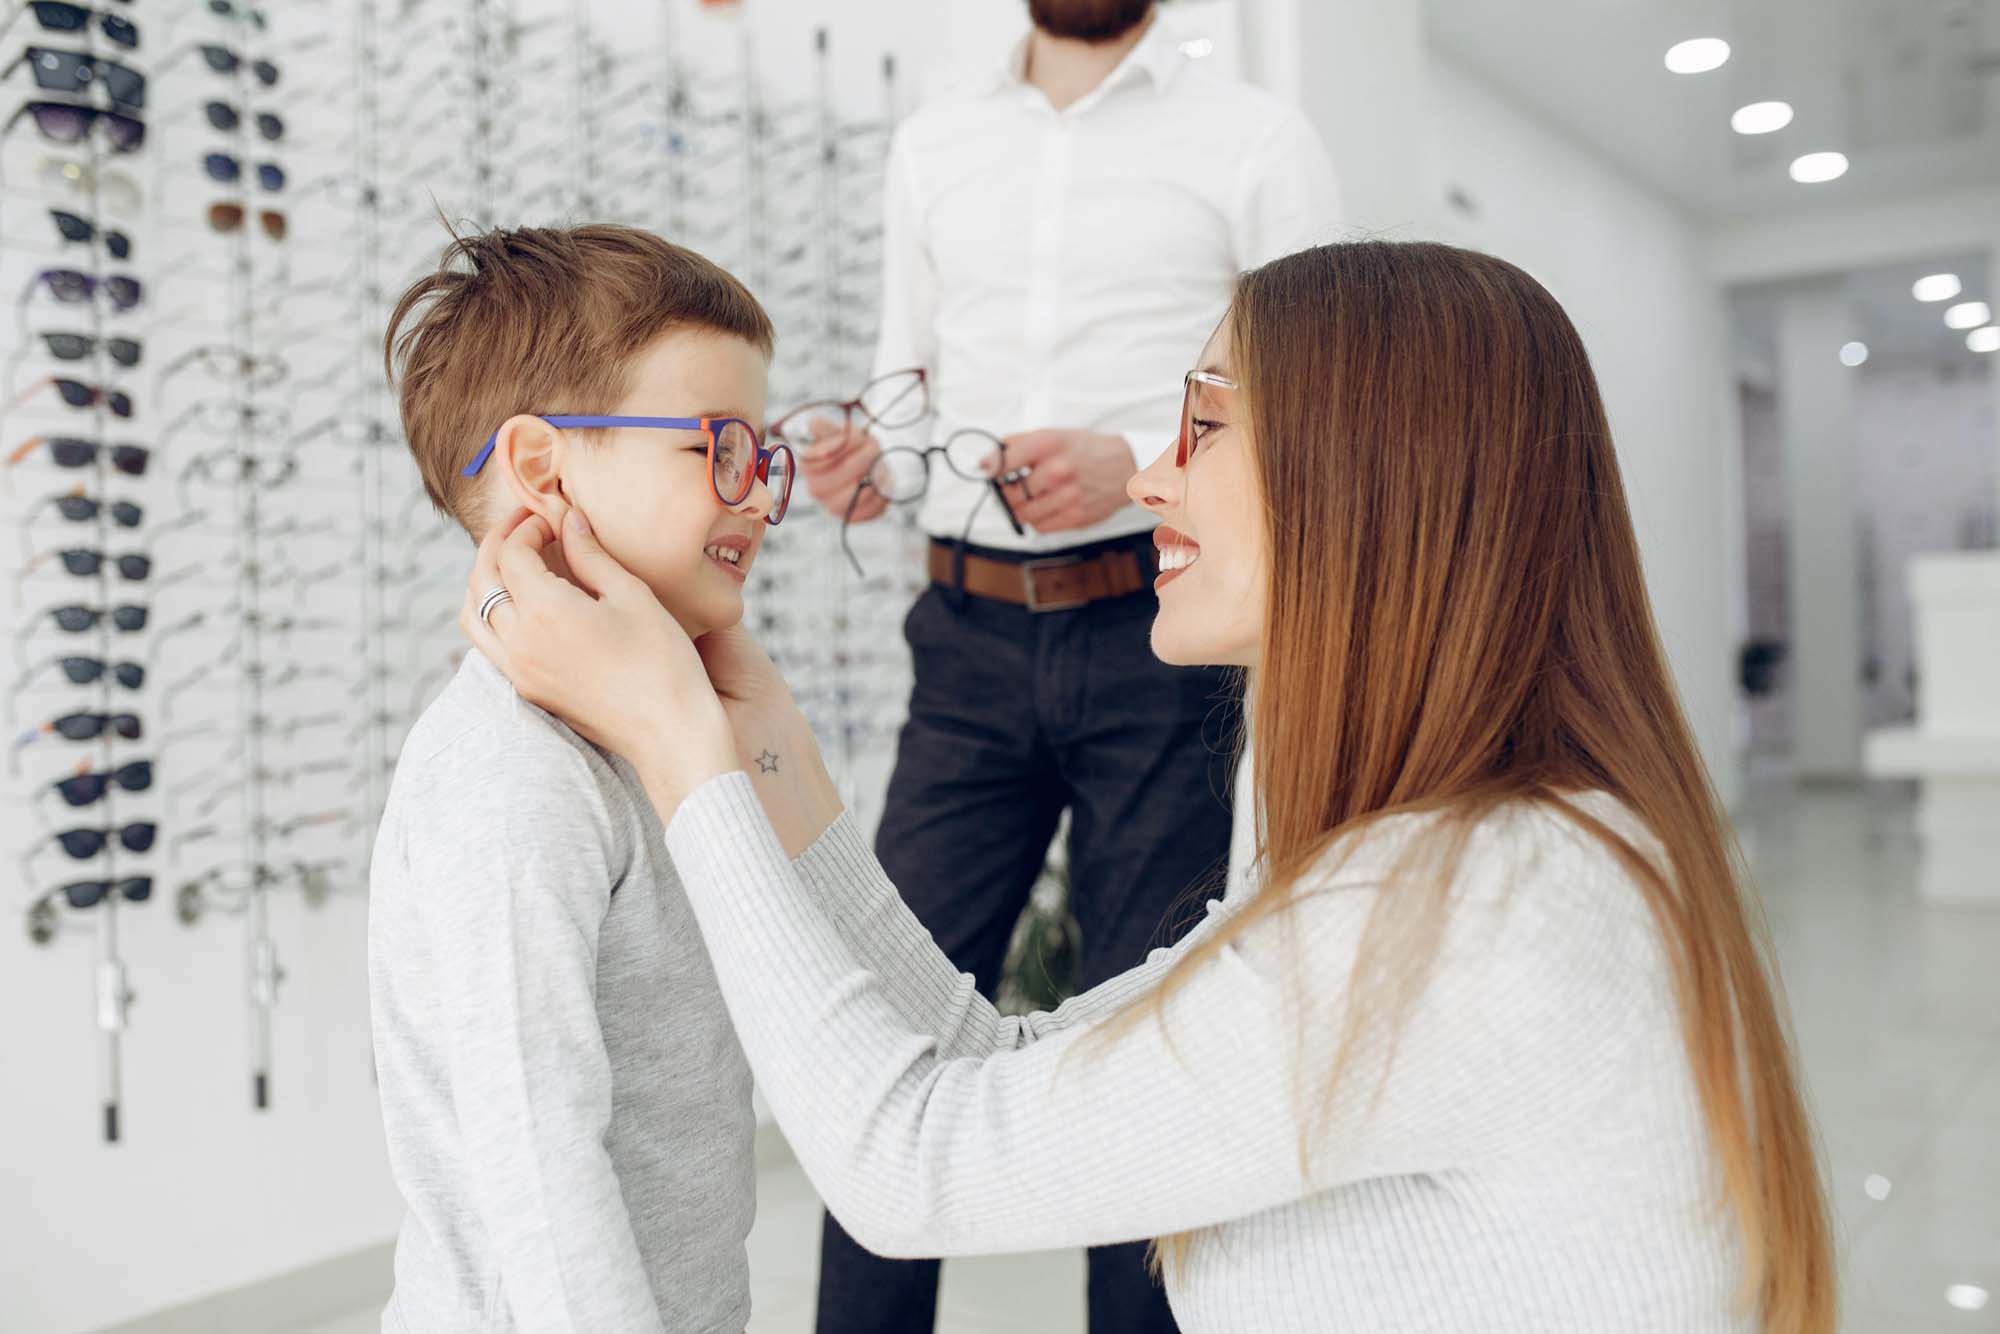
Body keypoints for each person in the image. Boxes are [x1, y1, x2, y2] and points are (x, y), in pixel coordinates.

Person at [464, 240, 1837, 1333]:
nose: (1156, 477)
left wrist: (683, 751)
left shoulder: (1467, 917)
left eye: (1204, 426)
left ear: (1370, 481)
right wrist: (771, 758)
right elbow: (1000, 1063)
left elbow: (912, 1159)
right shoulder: (1473, 852)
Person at [790, 3, 1339, 1325]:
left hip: (1160, 636)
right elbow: (902, 381)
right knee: (885, 1025)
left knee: (1146, 1048)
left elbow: (1330, 392)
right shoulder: (935, 141)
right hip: (965, 634)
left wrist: (1143, 455)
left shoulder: (1256, 140)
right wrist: (862, 453)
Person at [366, 222, 791, 1333]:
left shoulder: (657, 730)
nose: (757, 497)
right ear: (543, 469)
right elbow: (535, 1155)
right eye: (722, 447)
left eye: (766, 456)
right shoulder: (509, 770)